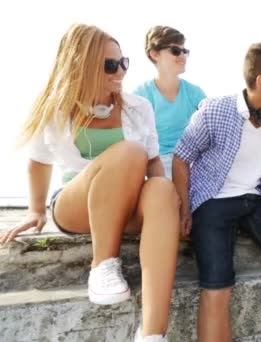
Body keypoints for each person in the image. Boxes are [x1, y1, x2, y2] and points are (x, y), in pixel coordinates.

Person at [0, 24, 180, 342]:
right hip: (77, 204)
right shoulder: (55, 111)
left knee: (162, 188)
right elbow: (38, 161)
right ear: (81, 67)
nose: (120, 71)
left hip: (127, 205)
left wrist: (161, 208)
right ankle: (102, 265)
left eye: (123, 62)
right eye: (110, 65)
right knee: (128, 152)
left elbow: (154, 161)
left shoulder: (139, 108)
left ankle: (153, 334)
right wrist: (35, 209)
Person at [172, 42, 261, 341]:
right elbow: (182, 157)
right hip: (212, 201)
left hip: (254, 200)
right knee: (217, 289)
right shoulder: (216, 109)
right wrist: (184, 209)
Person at [134, 25, 206, 179]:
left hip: (192, 162)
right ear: (154, 54)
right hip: (157, 165)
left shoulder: (195, 94)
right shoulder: (141, 96)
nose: (182, 56)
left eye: (184, 51)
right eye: (175, 51)